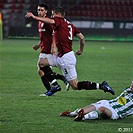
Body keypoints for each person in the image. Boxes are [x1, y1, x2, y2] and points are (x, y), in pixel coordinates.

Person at [25, 6, 115, 96]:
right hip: (60, 56)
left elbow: (50, 21)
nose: (52, 16)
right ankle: (54, 85)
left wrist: (34, 17)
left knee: (75, 85)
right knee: (41, 63)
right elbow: (82, 37)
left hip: (66, 59)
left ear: (58, 15)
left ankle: (101, 86)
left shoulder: (59, 20)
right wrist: (81, 50)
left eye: (53, 14)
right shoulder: (70, 25)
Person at [27, 4, 69, 96]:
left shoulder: (48, 22)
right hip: (43, 48)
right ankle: (60, 81)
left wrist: (53, 46)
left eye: (42, 10)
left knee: (42, 69)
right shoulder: (40, 21)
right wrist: (38, 45)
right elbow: (44, 37)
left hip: (47, 50)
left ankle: (53, 88)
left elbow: (54, 34)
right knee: (43, 70)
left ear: (46, 11)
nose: (40, 12)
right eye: (38, 10)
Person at [60, 82, 133, 121]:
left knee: (102, 109)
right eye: (132, 83)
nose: (131, 85)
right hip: (107, 103)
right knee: (87, 108)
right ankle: (72, 113)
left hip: (115, 112)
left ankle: (83, 117)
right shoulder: (128, 89)